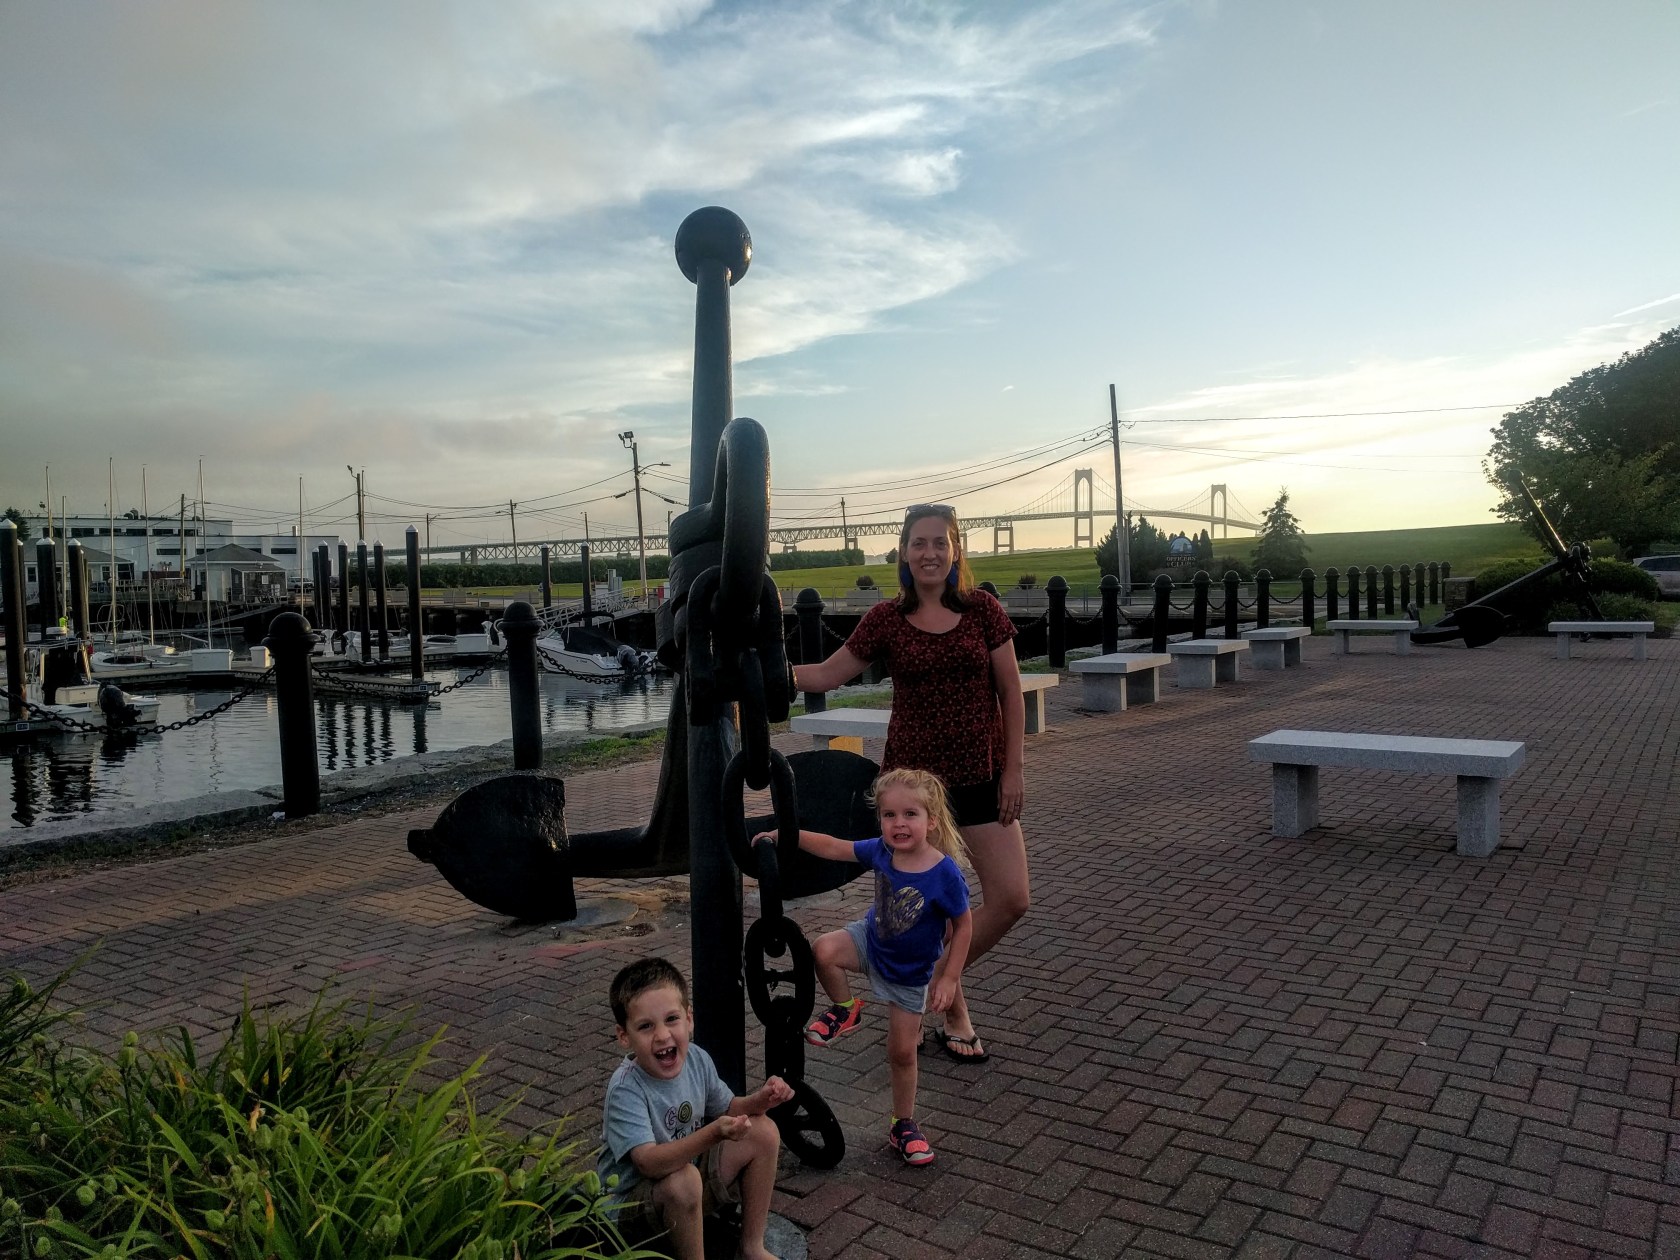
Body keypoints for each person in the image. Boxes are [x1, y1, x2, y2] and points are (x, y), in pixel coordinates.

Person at [790, 503, 1027, 1065]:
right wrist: (759, 673)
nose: (929, 553)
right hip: (911, 796)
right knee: (925, 910)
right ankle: (953, 1013)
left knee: (1012, 898)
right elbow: (827, 674)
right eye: (919, 543)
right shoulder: (886, 620)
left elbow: (1012, 693)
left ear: (955, 551)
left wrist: (1014, 769)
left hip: (980, 778)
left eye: (940, 543)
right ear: (903, 551)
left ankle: (919, 986)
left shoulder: (984, 612)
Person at [759, 767, 972, 1166]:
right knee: (823, 950)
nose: (899, 824)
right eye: (889, 815)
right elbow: (834, 847)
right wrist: (784, 835)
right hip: (870, 943)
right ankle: (845, 1008)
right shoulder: (881, 851)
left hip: (909, 975)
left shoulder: (945, 873)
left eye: (910, 814)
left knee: (901, 1053)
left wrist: (950, 975)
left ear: (932, 820)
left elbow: (964, 925)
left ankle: (903, 1124)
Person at [597, 957, 793, 1260]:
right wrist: (713, 1133)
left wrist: (761, 1100)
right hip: (630, 1214)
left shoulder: (697, 1059)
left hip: (684, 1189)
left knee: (763, 1131)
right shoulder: (627, 1088)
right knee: (684, 1180)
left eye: (671, 1019)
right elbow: (648, 1163)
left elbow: (728, 1105)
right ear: (624, 1036)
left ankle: (751, 1246)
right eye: (646, 1026)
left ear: (689, 1019)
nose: (662, 1035)